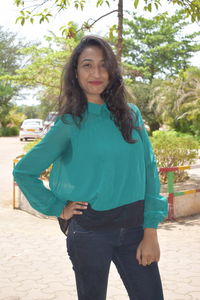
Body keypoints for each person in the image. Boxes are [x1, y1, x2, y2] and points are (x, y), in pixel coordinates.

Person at [13, 35, 168, 300]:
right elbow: (24, 171)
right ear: (75, 72)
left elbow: (149, 169)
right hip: (89, 233)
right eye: (87, 65)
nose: (96, 72)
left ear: (112, 70)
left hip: (135, 229)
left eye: (103, 64)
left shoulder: (131, 114)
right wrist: (57, 207)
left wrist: (150, 231)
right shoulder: (69, 122)